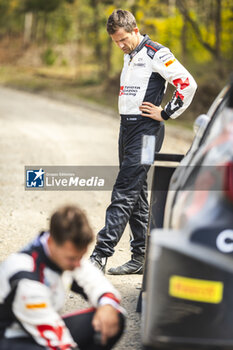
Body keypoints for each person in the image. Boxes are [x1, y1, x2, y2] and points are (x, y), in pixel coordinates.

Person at [90, 9, 197, 275]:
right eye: (116, 42)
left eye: (124, 39)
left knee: (124, 190)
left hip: (147, 132)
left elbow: (188, 84)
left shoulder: (156, 53)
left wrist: (167, 112)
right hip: (126, 129)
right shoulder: (129, 54)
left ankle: (99, 256)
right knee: (136, 192)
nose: (120, 45)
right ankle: (140, 257)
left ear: (135, 30)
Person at [0, 205, 125, 350]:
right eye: (72, 259)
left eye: (80, 257)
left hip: (37, 330)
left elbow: (95, 282)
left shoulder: (61, 251)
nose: (78, 264)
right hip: (10, 338)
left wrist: (107, 306)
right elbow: (57, 341)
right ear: (52, 243)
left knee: (113, 316)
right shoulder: (26, 279)